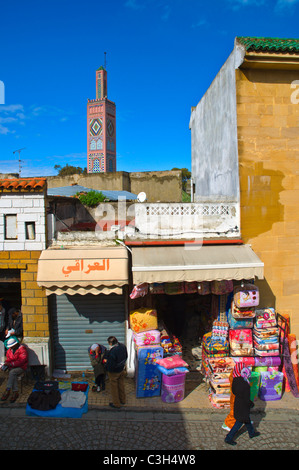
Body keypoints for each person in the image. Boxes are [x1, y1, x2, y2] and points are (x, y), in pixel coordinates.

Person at [224, 364, 260, 446]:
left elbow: (234, 391)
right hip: (243, 407)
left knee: (247, 420)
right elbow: (247, 399)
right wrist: (251, 404)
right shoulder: (245, 385)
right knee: (239, 423)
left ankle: (251, 433)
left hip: (237, 404)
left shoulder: (235, 380)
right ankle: (228, 438)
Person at [1, 336, 28, 403]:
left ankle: (8, 389)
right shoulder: (9, 351)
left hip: (21, 367)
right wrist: (6, 363)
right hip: (12, 368)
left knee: (12, 373)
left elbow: (22, 361)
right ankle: (15, 392)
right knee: (13, 375)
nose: (11, 347)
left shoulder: (22, 350)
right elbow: (8, 359)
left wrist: (11, 364)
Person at [105, 336, 128, 409]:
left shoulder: (113, 352)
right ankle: (123, 400)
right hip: (121, 369)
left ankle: (116, 403)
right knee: (121, 384)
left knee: (114, 387)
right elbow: (126, 356)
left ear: (110, 343)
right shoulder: (122, 346)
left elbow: (111, 365)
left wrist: (106, 364)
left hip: (114, 372)